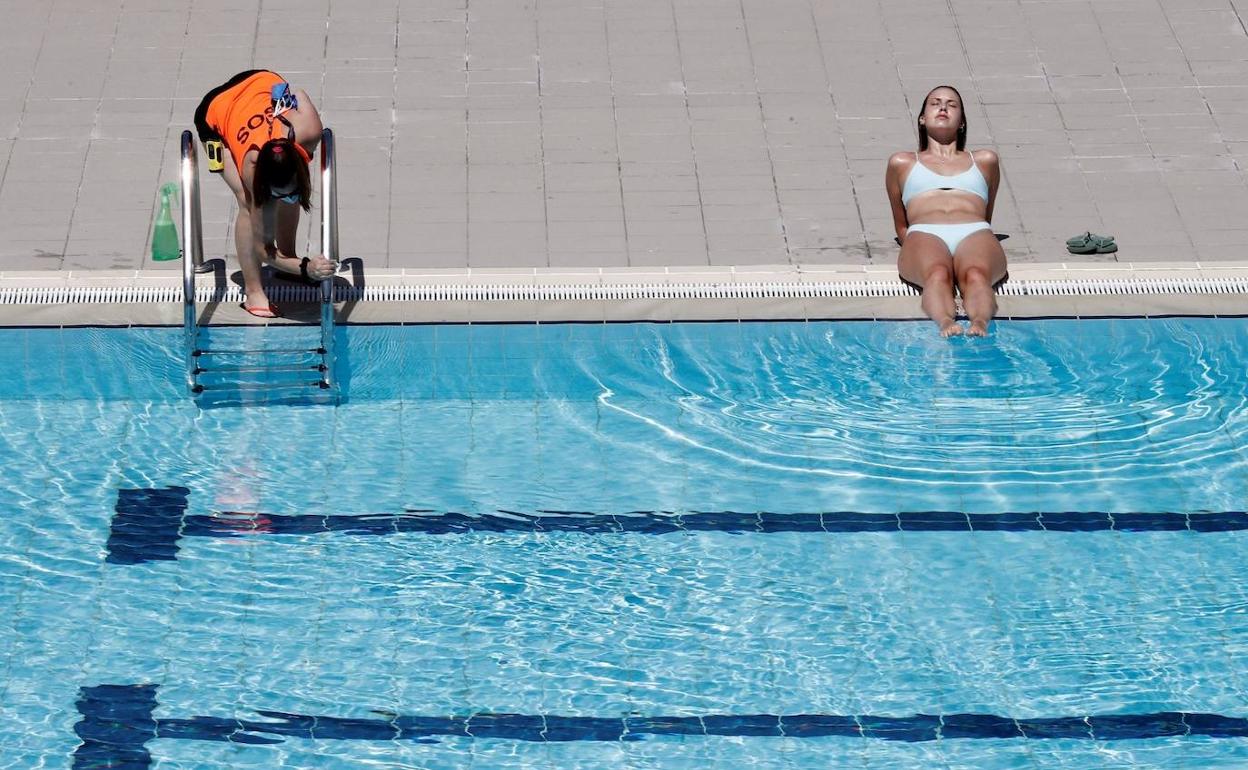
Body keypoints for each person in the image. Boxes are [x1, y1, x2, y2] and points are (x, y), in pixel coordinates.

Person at [194, 70, 336, 318]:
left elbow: (300, 94)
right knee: (246, 203)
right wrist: (307, 269)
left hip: (259, 79)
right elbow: (263, 250)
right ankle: (253, 293)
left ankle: (288, 259)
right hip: (215, 111)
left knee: (287, 202)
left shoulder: (309, 130)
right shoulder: (253, 170)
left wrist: (283, 104)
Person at [885, 85, 1007, 337]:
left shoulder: (985, 160)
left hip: (974, 229)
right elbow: (900, 223)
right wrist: (916, 246)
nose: (943, 107)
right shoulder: (902, 163)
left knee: (976, 274)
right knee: (937, 273)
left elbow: (986, 213)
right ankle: (944, 323)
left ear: (962, 121)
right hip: (924, 231)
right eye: (935, 103)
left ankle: (980, 324)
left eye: (952, 104)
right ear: (922, 118)